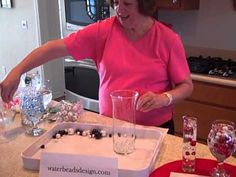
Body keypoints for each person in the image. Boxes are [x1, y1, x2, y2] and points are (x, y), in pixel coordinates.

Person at [0, 0, 193, 134]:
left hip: (156, 129)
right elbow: (52, 48)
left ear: (144, 4)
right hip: (110, 126)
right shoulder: (104, 31)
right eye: (116, 2)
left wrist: (164, 98)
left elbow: (186, 86)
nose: (119, 9)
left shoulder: (167, 39)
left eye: (127, 3)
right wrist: (17, 71)